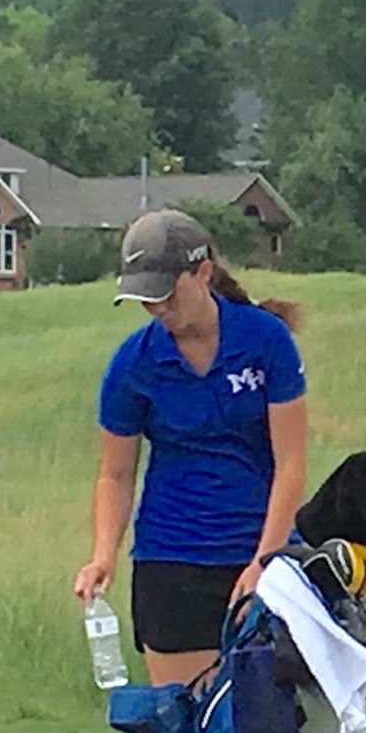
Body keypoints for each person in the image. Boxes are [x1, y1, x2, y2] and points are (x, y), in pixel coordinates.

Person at [72, 209, 307, 687]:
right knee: (185, 728)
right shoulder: (134, 364)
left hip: (261, 550)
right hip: (171, 560)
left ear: (202, 273)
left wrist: (264, 562)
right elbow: (115, 474)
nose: (156, 308)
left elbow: (291, 462)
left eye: (164, 293)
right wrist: (103, 555)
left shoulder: (265, 340)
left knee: (266, 729)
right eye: (145, 298)